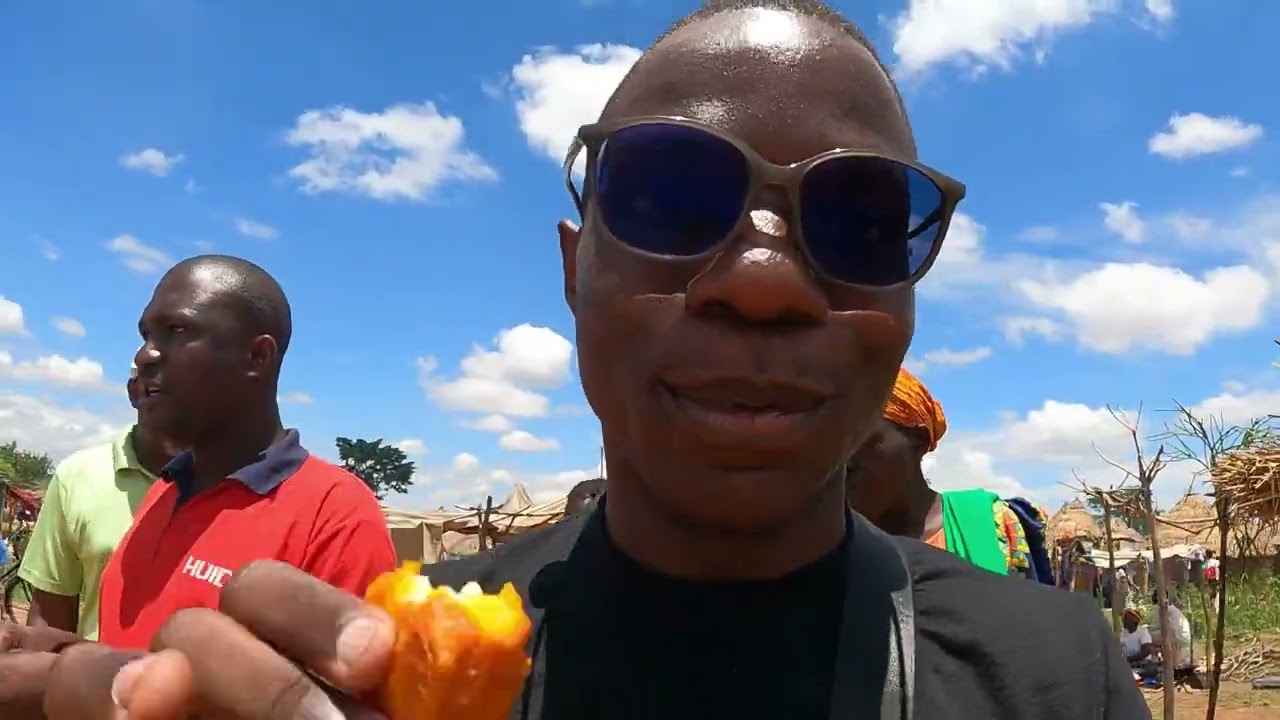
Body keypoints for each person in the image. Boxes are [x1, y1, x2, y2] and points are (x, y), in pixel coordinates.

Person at [27, 3, 1147, 719]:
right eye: (668, 194)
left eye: (858, 218)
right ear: (574, 272)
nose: (759, 280)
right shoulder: (403, 668)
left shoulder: (1050, 676)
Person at [16, 366, 181, 639]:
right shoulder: (78, 477)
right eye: (154, 386)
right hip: (99, 679)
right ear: (134, 392)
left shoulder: (239, 482)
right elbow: (49, 615)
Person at [847, 367, 1053, 581]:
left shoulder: (992, 527)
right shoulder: (826, 545)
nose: (837, 456)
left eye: (858, 435)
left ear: (917, 440)